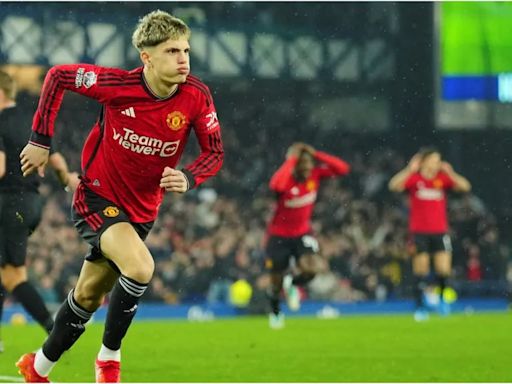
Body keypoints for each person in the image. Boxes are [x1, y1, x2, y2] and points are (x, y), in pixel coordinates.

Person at [16, 10, 223, 383]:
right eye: (172, 51)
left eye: (186, 51)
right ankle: (109, 360)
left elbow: (214, 152)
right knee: (141, 267)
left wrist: (189, 177)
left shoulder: (196, 96)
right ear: (147, 57)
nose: (183, 60)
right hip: (97, 196)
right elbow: (58, 76)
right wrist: (40, 140)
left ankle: (38, 368)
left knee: (88, 296)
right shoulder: (116, 84)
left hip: (142, 211)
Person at [0, 70, 79, 353]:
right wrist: (68, 180)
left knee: (13, 276)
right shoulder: (30, 121)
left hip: (8, 203)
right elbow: (56, 160)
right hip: (31, 203)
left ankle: (56, 330)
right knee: (3, 270)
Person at [265, 142, 350, 329]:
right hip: (278, 236)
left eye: (309, 163)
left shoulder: (315, 175)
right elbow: (275, 185)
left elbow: (343, 169)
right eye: (302, 163)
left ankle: (293, 283)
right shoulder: (286, 179)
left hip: (302, 233)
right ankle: (276, 312)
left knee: (312, 269)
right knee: (275, 281)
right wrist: (292, 160)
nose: (307, 167)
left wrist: (317, 154)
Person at [388, 147, 471, 321]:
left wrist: (452, 173)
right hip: (419, 232)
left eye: (438, 160)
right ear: (424, 161)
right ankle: (420, 307)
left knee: (443, 269)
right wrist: (409, 169)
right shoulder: (415, 179)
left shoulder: (442, 179)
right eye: (433, 159)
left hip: (440, 232)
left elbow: (465, 186)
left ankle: (442, 302)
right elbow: (394, 186)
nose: (436, 163)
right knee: (421, 271)